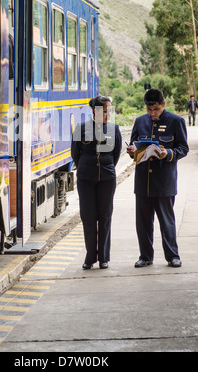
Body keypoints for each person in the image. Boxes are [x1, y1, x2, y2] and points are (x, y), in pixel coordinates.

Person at [127, 89, 189, 268]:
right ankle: (145, 256)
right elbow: (134, 146)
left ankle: (172, 256)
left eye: (156, 110)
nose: (152, 113)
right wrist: (132, 152)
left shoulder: (176, 121)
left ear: (163, 105)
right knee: (143, 222)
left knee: (167, 222)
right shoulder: (140, 121)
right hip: (143, 181)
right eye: (149, 110)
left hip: (164, 181)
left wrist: (167, 153)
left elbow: (183, 148)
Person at [71, 96, 122, 270]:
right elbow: (75, 154)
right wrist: (87, 167)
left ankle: (104, 258)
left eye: (109, 110)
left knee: (105, 217)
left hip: (107, 179)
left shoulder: (114, 129)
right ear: (95, 111)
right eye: (105, 110)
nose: (108, 113)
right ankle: (90, 257)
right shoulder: (81, 128)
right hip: (86, 179)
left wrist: (107, 168)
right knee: (88, 218)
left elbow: (116, 154)